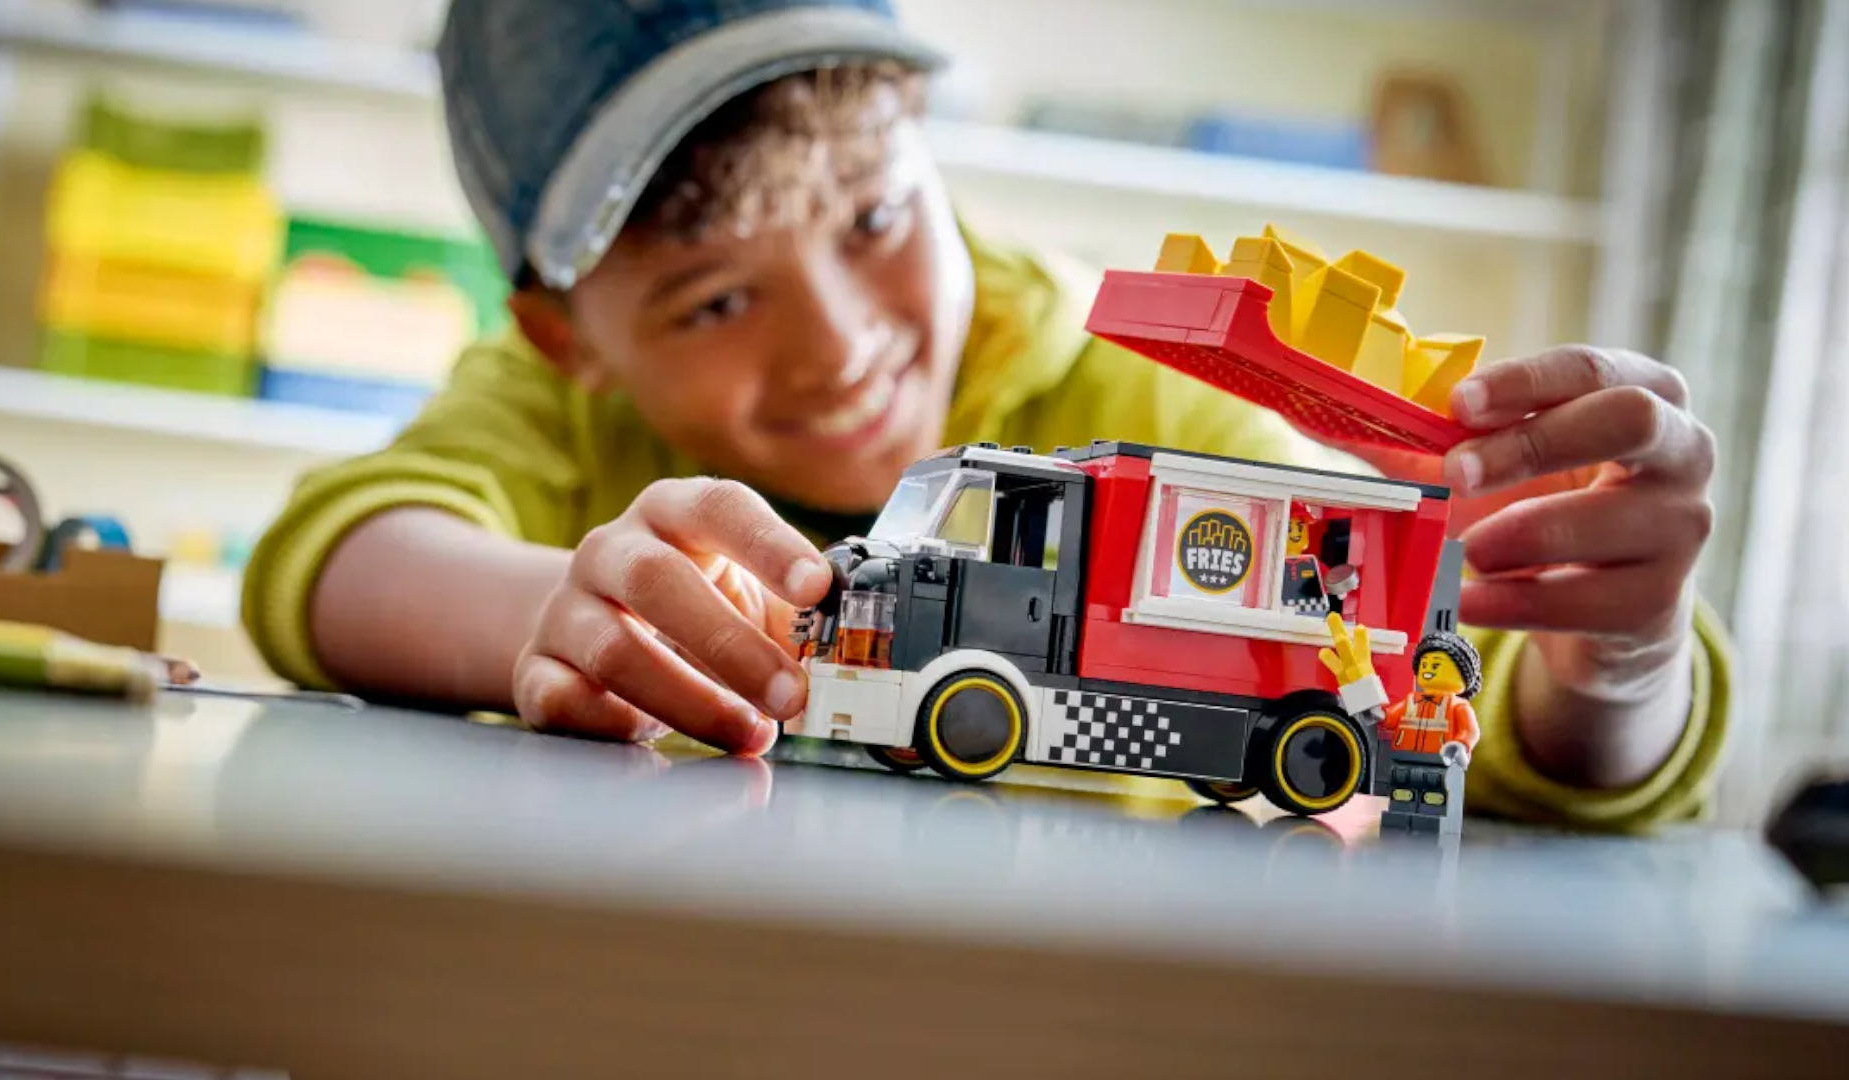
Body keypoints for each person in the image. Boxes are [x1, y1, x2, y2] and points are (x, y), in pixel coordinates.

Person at [241, 0, 1730, 835]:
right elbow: (342, 553)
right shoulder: (550, 414)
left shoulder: (1131, 392)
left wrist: (1614, 658)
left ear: (929, 150)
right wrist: (544, 610)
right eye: (712, 302)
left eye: (876, 216)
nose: (842, 347)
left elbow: (1476, 708)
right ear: (567, 338)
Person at [1378, 631, 1483, 836]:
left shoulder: (1457, 706)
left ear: (1462, 675)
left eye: (1436, 665)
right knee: (1401, 793)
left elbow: (1470, 731)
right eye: (1424, 665)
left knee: (1434, 797)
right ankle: (1399, 822)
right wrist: (1373, 711)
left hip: (1439, 762)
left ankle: (1430, 827)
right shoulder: (1411, 702)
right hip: (1404, 759)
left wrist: (1460, 746)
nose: (1427, 670)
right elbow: (1389, 719)